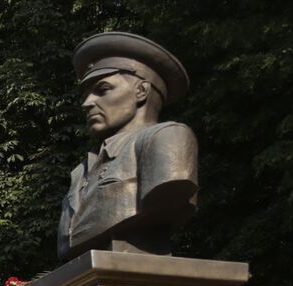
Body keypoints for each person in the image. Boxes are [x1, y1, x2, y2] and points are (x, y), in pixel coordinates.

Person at [58, 32, 196, 260]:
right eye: (85, 94)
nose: (87, 103)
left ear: (141, 91)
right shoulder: (81, 172)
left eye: (102, 90)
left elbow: (167, 194)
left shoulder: (167, 139)